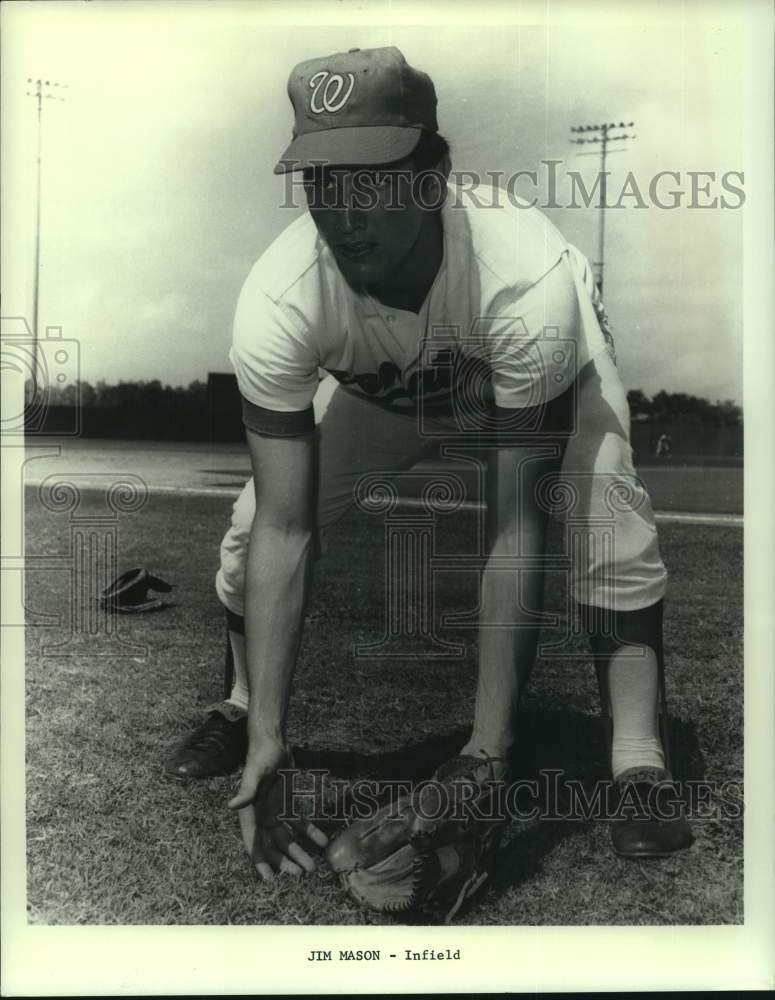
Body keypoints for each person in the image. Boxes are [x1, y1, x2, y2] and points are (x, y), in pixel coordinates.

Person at [164, 46, 692, 881]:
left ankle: (637, 760)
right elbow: (285, 524)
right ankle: (240, 712)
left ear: (431, 175)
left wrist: (485, 752)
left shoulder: (523, 280)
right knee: (244, 529)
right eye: (320, 181)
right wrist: (274, 737)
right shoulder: (282, 295)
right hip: (389, 400)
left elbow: (515, 527)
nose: (342, 213)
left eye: (368, 178)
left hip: (524, 374)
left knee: (607, 512)